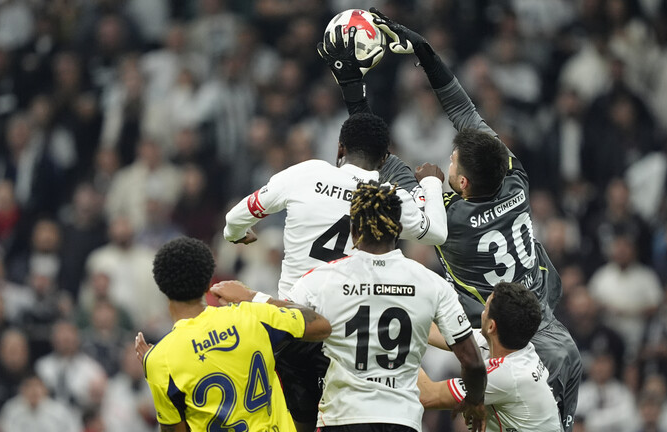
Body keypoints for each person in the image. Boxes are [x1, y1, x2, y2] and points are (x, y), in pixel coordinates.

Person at [317, 12, 582, 431]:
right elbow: (463, 109)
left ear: (460, 180)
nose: (447, 158)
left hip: (512, 347)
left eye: (452, 159)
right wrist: (424, 49)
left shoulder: (450, 220)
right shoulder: (513, 178)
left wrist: (352, 87)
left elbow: (377, 160)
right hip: (551, 335)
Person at [214, 181, 487, 432]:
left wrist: (253, 298)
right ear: (399, 229)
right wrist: (474, 400)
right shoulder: (432, 283)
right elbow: (472, 362)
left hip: (342, 419)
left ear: (354, 231)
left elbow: (287, 322)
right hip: (402, 420)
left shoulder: (321, 280)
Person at [223, 111, 448, 302]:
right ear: (383, 160)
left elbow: (234, 218)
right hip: (345, 327)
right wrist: (431, 183)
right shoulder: (387, 197)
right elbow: (437, 234)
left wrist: (237, 235)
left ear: (340, 149)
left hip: (292, 319)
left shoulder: (305, 172)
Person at [135, 237, 331, 432]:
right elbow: (321, 325)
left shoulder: (160, 360)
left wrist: (154, 369)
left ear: (162, 287)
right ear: (208, 283)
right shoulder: (252, 315)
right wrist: (252, 297)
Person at [419, 282, 562, 432]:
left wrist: (397, 344)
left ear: (491, 326)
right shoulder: (511, 345)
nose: (482, 312)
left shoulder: (508, 374)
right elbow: (434, 332)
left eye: (485, 308)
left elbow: (427, 395)